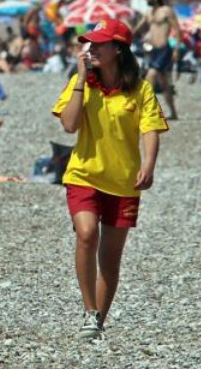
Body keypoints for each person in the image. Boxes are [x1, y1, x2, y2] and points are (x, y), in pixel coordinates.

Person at [52, 19, 166, 340]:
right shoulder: (83, 83)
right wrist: (78, 78)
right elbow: (69, 126)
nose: (91, 49)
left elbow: (150, 130)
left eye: (98, 43)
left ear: (118, 49)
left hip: (123, 182)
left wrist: (149, 164)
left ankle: (97, 322)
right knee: (86, 234)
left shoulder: (140, 89)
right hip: (83, 175)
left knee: (111, 259)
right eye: (88, 44)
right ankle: (89, 310)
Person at [133, 0, 181, 119]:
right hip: (152, 50)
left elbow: (177, 30)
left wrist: (176, 49)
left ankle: (144, 111)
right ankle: (173, 112)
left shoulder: (166, 11)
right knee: (164, 83)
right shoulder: (149, 12)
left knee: (150, 77)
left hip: (164, 49)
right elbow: (139, 27)